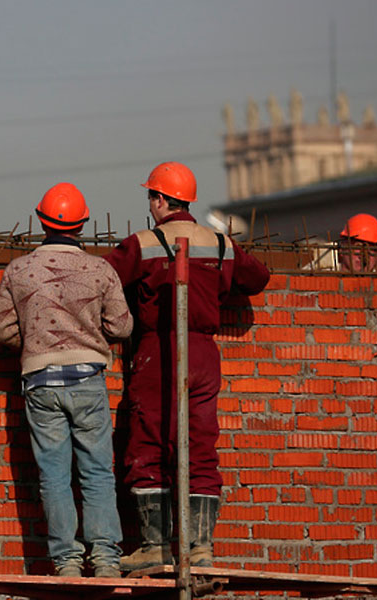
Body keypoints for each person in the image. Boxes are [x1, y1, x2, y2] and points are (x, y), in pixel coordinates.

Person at [104, 162, 270, 571]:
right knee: (199, 447)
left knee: (149, 444)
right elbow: (258, 277)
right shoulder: (219, 243)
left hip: (157, 351)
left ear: (160, 200)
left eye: (151, 197)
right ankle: (200, 547)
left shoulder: (143, 242)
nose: (150, 204)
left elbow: (102, 278)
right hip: (203, 353)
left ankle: (156, 545)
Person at [0, 182, 133, 579]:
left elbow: (3, 331)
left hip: (40, 382)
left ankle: (67, 562)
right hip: (88, 378)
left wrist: (36, 343)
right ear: (83, 223)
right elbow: (122, 326)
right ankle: (106, 559)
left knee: (53, 475)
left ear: (41, 220)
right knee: (98, 471)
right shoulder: (100, 269)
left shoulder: (19, 270)